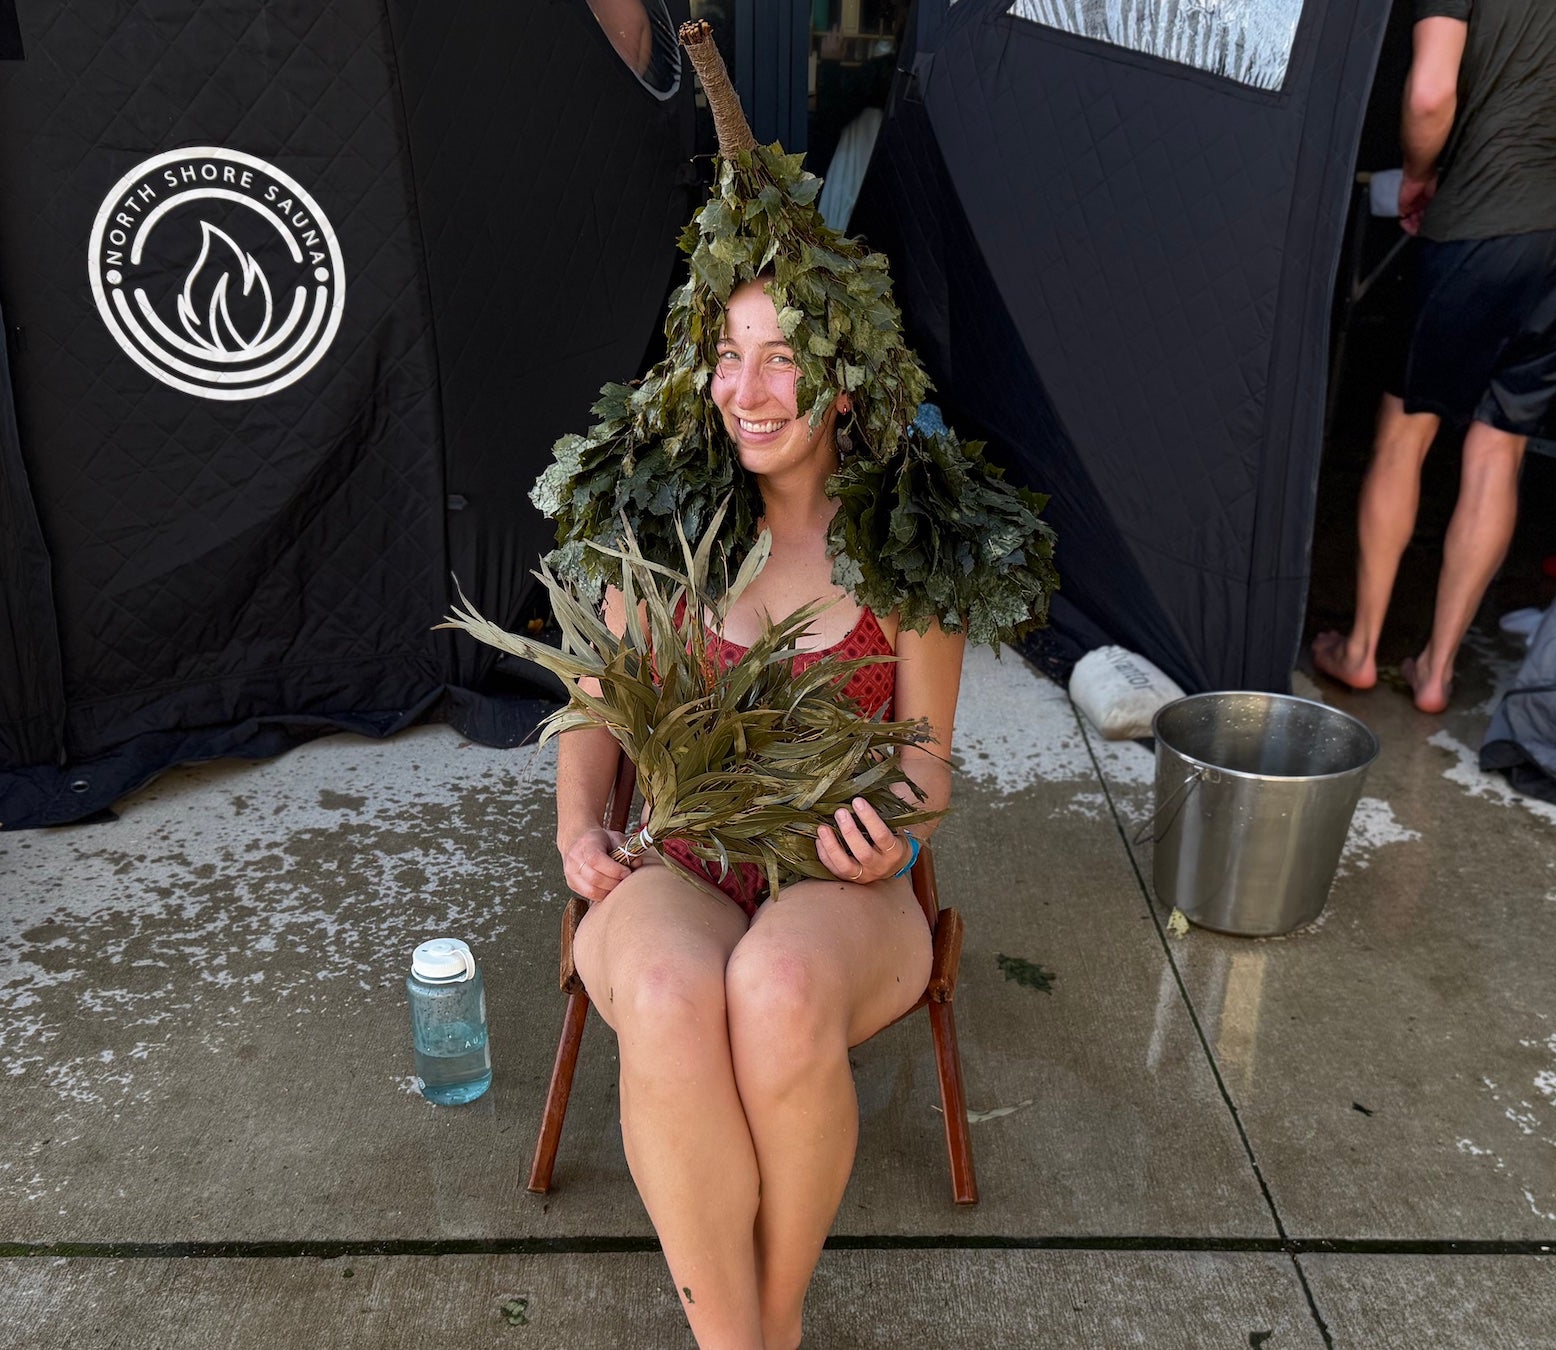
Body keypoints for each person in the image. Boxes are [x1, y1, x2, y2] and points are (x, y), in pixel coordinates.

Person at [525, 25, 1055, 1348]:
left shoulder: (906, 542)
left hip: (839, 888)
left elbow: (925, 765)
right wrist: (580, 828)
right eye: (729, 355)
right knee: (664, 993)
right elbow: (599, 705)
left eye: (783, 361)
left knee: (771, 992)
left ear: (845, 377)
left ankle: (776, 1321)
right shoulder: (676, 513)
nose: (746, 392)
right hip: (683, 863)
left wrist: (894, 828)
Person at [1313, 0, 1556, 713]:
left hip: (1482, 221)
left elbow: (1432, 94)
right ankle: (1436, 670)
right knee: (1500, 450)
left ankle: (1361, 650)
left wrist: (1417, 174)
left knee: (1406, 434)